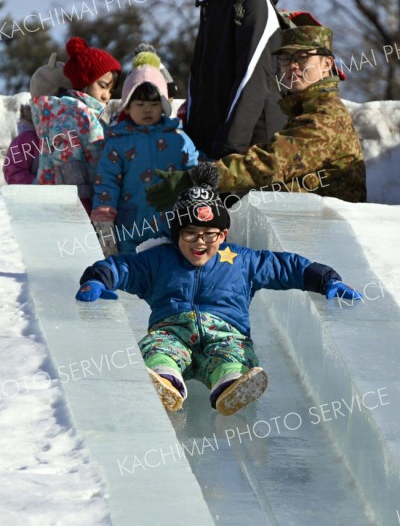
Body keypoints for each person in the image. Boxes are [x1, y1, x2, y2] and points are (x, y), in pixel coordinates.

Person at [76, 164, 361, 416]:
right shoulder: (158, 260)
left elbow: (286, 267)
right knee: (159, 348)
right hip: (172, 330)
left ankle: (230, 384)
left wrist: (327, 280)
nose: (200, 242)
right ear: (176, 235)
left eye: (209, 234)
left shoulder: (240, 261)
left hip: (226, 333)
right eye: (190, 233)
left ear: (222, 235)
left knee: (231, 354)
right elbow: (123, 267)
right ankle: (165, 378)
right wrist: (99, 279)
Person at [146, 22, 367, 210]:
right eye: (285, 58)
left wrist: (195, 179)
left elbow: (269, 163)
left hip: (326, 235)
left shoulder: (323, 116)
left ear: (327, 64)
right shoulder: (304, 110)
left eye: (302, 57)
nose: (292, 66)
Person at [185, 0, 286, 160]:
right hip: (212, 149)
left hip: (253, 147)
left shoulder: (255, 2)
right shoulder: (211, 5)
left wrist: (229, 149)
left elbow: (252, 80)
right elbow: (197, 81)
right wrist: (193, 141)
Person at [90, 51, 199, 255]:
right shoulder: (118, 142)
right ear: (128, 107)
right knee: (130, 279)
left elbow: (194, 174)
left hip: (173, 229)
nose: (147, 110)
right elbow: (107, 182)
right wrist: (104, 223)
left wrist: (198, 212)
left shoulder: (179, 138)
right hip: (131, 229)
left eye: (154, 104)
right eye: (140, 104)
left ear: (164, 106)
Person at [31, 37, 121, 215]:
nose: (106, 95)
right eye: (102, 86)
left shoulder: (90, 116)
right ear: (84, 83)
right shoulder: (71, 118)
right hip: (76, 209)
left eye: (111, 90)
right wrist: (83, 208)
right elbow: (67, 167)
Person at [2, 53, 71, 185]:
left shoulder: (76, 133)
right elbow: (13, 171)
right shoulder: (28, 139)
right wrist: (36, 186)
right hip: (36, 202)